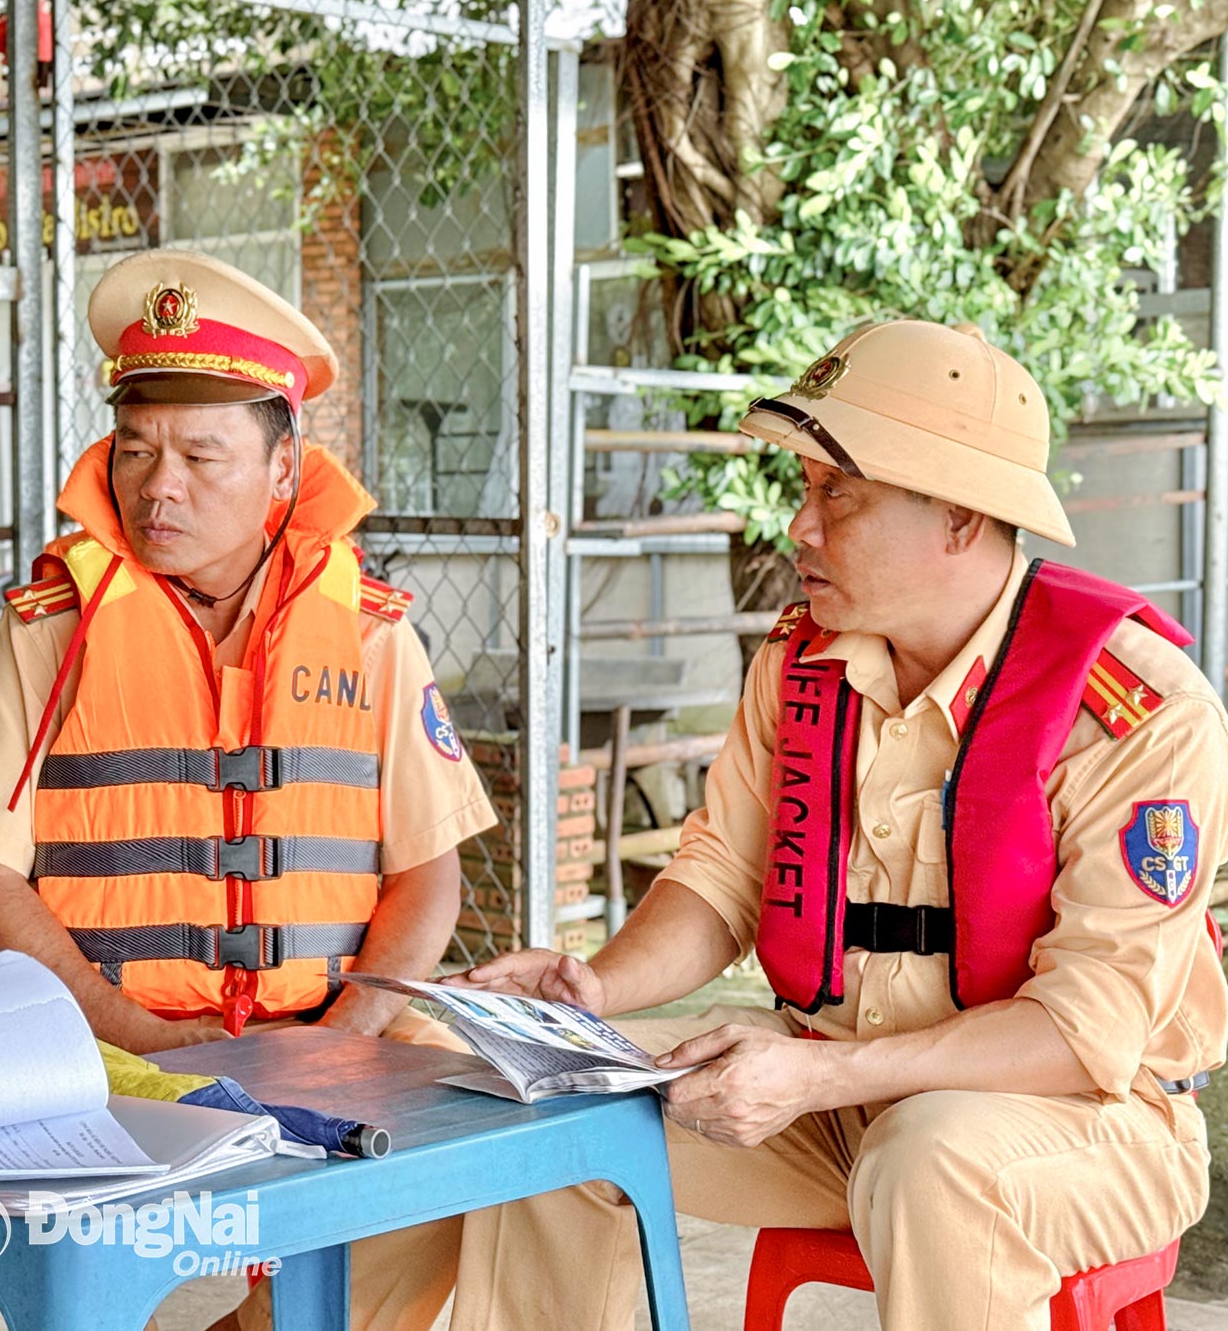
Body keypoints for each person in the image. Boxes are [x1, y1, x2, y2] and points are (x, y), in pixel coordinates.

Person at [447, 320, 1228, 1331]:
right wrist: (597, 988)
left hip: (1086, 1122)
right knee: (559, 1118)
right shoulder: (800, 662)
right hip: (836, 1093)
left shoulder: (1133, 707)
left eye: (835, 495)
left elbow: (1084, 1034)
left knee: (931, 1159)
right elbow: (721, 874)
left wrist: (822, 1071)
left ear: (954, 515)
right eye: (802, 490)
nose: (798, 527)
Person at [0, 249, 499, 1331]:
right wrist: (126, 1027)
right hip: (95, 1042)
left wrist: (354, 1026)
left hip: (333, 1031)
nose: (157, 485)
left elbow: (430, 873)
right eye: (133, 451)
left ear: (284, 469)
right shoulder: (51, 625)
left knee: (479, 1132)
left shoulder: (370, 629)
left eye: (200, 454)